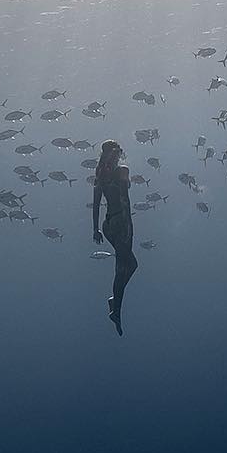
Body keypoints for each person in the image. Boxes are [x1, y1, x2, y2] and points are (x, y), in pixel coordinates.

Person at [92, 139, 138, 336]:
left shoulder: (102, 176)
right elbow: (123, 200)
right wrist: (95, 229)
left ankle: (115, 302)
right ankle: (116, 309)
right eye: (115, 152)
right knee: (121, 268)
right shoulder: (117, 172)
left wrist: (96, 228)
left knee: (132, 265)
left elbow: (96, 205)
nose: (117, 155)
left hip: (111, 223)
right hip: (121, 224)